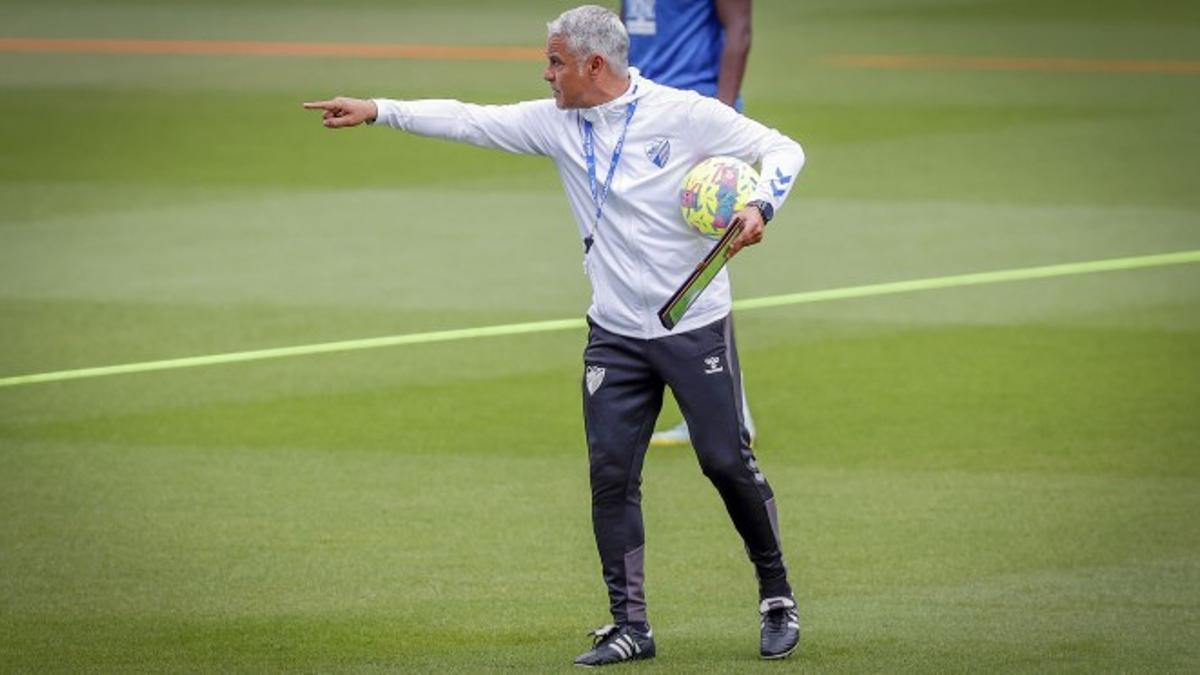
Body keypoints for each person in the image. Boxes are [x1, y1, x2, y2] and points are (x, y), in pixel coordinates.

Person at [303, 5, 803, 665]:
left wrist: (759, 204)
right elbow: (468, 117)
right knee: (611, 474)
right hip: (615, 336)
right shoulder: (558, 124)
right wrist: (378, 107)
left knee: (723, 461)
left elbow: (783, 149)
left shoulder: (683, 114)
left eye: (555, 62)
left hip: (692, 326)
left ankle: (776, 596)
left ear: (595, 66)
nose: (545, 75)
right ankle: (631, 625)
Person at [622, 0, 759, 447]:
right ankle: (714, 408)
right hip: (641, 119)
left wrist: (722, 118)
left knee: (697, 267)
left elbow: (739, 28)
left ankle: (729, 412)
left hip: (695, 119)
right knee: (653, 257)